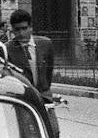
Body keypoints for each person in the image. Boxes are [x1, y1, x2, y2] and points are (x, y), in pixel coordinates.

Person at [4, 9, 58, 138]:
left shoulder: (45, 44)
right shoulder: (7, 49)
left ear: (31, 27)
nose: (21, 33)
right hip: (22, 99)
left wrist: (44, 90)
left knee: (53, 131)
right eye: (17, 30)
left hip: (44, 98)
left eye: (24, 28)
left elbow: (48, 73)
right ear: (12, 31)